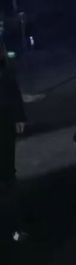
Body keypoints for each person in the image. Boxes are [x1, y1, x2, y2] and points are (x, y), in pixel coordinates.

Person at [0, 39, 27, 246]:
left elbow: (11, 86)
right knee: (7, 177)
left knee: (8, 175)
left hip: (4, 123)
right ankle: (12, 229)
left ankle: (13, 228)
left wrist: (19, 116)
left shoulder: (4, 68)